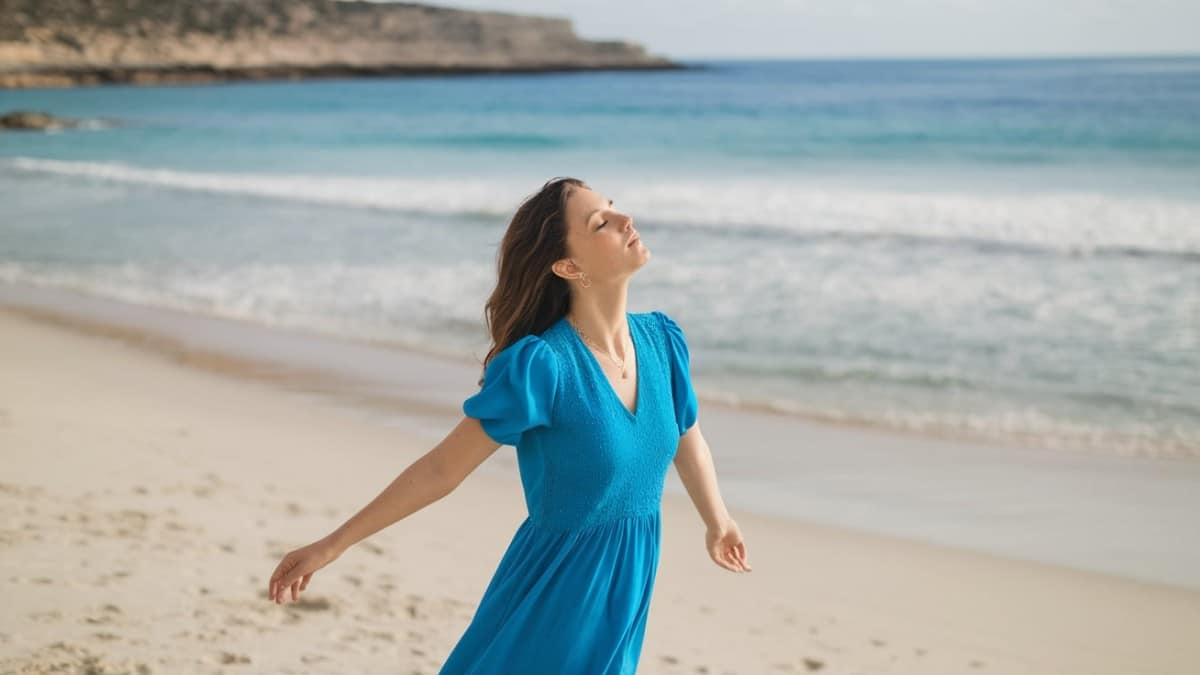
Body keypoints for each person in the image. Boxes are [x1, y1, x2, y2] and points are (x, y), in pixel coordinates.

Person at [267, 177, 752, 673]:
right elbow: (441, 470)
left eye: (614, 208)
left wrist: (718, 521)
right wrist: (331, 546)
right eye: (601, 222)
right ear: (568, 266)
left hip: (626, 585)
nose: (627, 221)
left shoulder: (663, 342)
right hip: (556, 592)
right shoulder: (543, 367)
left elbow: (685, 435)